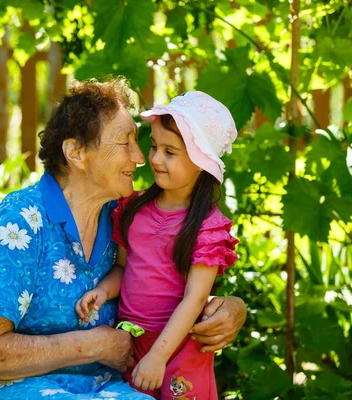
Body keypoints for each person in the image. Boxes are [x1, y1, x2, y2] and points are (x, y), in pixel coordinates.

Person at [0, 79, 247, 399]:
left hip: (98, 385)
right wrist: (91, 346)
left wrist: (232, 309)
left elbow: (172, 284)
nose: (141, 157)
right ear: (76, 153)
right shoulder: (21, 221)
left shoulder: (120, 213)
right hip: (5, 385)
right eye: (125, 142)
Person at [76, 91, 239, 400]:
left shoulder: (207, 226)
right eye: (154, 147)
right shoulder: (133, 208)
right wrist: (104, 291)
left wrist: (159, 356)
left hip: (180, 347)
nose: (154, 159)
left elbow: (195, 298)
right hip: (133, 342)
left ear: (200, 161)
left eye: (170, 152)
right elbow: (124, 268)